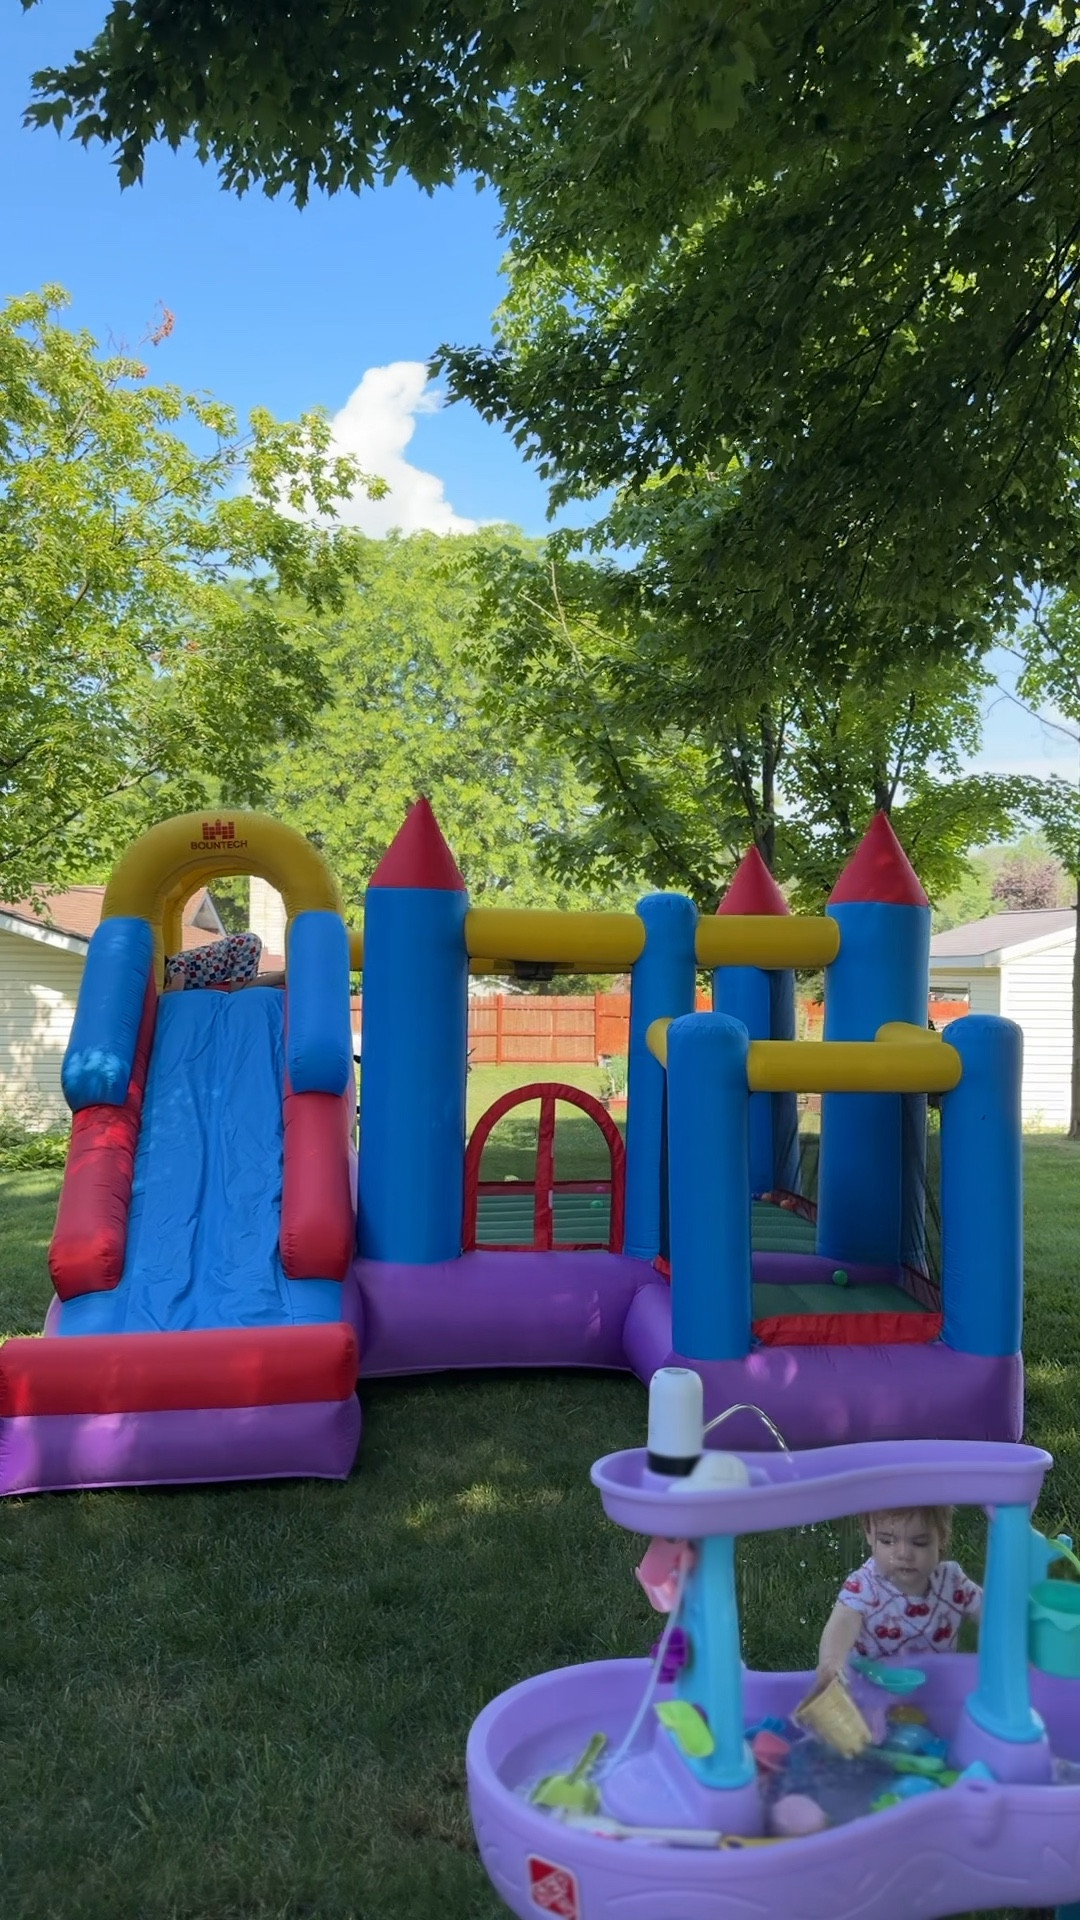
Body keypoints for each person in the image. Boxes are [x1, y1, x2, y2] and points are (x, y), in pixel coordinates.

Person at [817, 1505, 981, 1680]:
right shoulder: (865, 1585)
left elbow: (994, 1613)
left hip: (934, 1687)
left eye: (919, 1543)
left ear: (942, 1537)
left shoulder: (952, 1582)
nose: (903, 1554)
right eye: (887, 1541)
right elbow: (844, 1622)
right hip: (873, 1689)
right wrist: (832, 1660)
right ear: (870, 1535)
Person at [163, 931, 285, 993]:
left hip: (240, 947)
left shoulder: (172, 964)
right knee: (246, 986)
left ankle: (281, 977)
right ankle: (282, 976)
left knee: (237, 993)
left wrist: (163, 993)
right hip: (243, 944)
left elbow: (177, 990)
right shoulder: (180, 961)